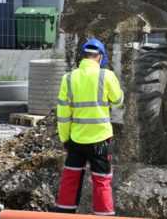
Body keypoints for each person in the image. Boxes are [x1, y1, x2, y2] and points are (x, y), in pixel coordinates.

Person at [54, 38, 124, 216]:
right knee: (101, 181)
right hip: (100, 140)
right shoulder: (106, 75)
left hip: (76, 139)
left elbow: (62, 114)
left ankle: (64, 214)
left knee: (70, 178)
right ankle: (104, 215)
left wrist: (65, 139)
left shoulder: (68, 78)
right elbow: (118, 100)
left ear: (83, 56)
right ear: (99, 57)